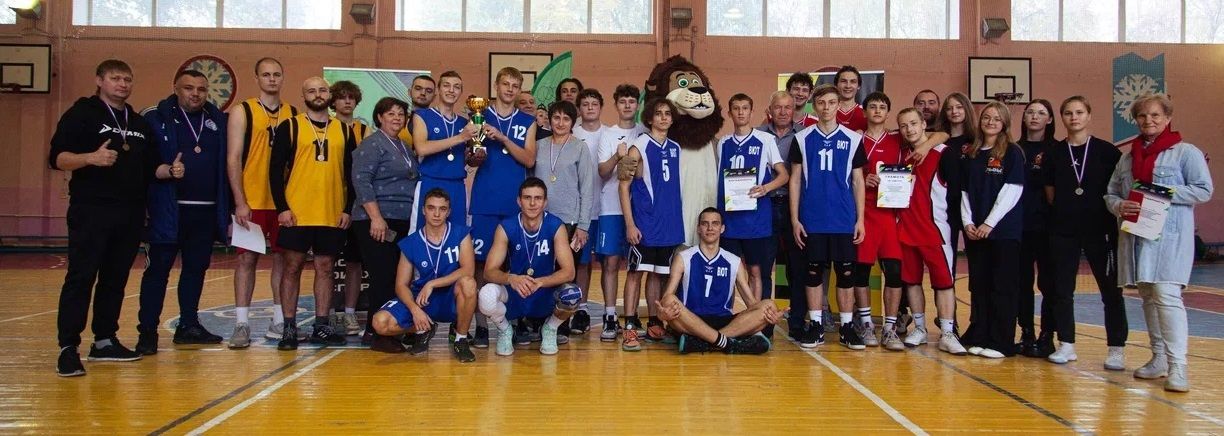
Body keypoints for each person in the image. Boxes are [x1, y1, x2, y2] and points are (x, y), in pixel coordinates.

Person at [50, 59, 184, 377]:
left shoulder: (137, 122)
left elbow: (151, 167)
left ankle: (104, 340)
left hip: (130, 213)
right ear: (100, 80)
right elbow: (57, 158)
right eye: (115, 78)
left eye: (127, 79)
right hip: (91, 210)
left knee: (115, 278)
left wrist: (170, 170)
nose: (122, 84)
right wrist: (90, 158)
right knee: (81, 277)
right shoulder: (82, 113)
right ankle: (68, 347)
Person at [1105, 94, 1212, 392]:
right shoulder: (1128, 157)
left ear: (1167, 118)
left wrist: (1163, 193)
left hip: (1170, 237)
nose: (1148, 120)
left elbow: (1203, 190)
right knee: (1148, 295)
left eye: (1154, 115)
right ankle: (1159, 358)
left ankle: (1178, 366)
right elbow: (1111, 192)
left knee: (1166, 294)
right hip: (1136, 235)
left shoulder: (1185, 153)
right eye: (1142, 116)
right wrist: (1119, 205)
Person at [136, 69, 231, 355]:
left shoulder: (218, 120)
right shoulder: (154, 117)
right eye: (189, 88)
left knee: (195, 270)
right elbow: (140, 162)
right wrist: (165, 170)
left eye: (201, 89)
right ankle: (147, 332)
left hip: (205, 212)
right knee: (157, 272)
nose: (195, 94)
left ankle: (188, 325)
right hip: (168, 211)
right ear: (176, 88)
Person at [268, 77, 358, 350]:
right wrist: (282, 208)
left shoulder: (344, 130)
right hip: (297, 213)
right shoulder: (290, 126)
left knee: (326, 268)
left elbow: (352, 174)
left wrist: (347, 209)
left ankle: (321, 325)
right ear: (303, 95)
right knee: (292, 267)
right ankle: (289, 327)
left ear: (329, 94)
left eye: (322, 90)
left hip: (331, 212)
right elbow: (275, 171)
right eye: (312, 91)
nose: (318, 94)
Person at [1042, 96, 1127, 367]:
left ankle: (1116, 348)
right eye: (1068, 113)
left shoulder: (1107, 152)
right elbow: (1050, 193)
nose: (1074, 117)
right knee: (1062, 289)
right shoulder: (1054, 153)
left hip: (1101, 230)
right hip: (1063, 230)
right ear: (1062, 118)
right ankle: (1066, 344)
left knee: (1111, 291)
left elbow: (1118, 189)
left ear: (1089, 115)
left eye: (1079, 112)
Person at [226, 57, 299, 348]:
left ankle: (279, 320)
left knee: (283, 259)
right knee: (247, 259)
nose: (272, 79)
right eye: (266, 74)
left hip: (283, 201)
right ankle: (241, 324)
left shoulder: (293, 114)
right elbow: (233, 158)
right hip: (252, 199)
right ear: (256, 78)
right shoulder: (242, 110)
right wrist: (239, 201)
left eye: (276, 74)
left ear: (283, 78)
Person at [788, 84, 867, 350]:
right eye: (821, 102)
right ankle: (816, 325)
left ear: (838, 105)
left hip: (843, 218)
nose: (826, 108)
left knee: (845, 273)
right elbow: (795, 180)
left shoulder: (853, 139)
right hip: (812, 218)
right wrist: (795, 219)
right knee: (812, 273)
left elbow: (858, 181)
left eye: (831, 102)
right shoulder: (802, 138)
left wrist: (860, 219)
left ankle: (846, 327)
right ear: (815, 105)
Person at [469, 67, 538, 348]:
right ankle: (481, 326)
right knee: (480, 264)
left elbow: (530, 159)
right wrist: (475, 153)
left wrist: (503, 138)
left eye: (515, 85)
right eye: (505, 84)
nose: (509, 89)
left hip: (515, 203)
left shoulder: (527, 121)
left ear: (519, 89)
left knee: (517, 262)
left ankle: (517, 320)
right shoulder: (479, 114)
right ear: (496, 86)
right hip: (485, 201)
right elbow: (470, 157)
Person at [371, 189, 479, 362]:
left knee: (468, 283)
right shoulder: (411, 242)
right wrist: (415, 310)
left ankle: (461, 339)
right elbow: (401, 285)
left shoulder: (461, 234)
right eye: (431, 208)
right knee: (380, 323)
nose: (436, 214)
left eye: (442, 209)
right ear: (423, 210)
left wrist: (432, 284)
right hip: (422, 299)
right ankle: (423, 328)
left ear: (448, 212)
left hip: (450, 296)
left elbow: (468, 270)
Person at [477, 178, 580, 356]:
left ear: (545, 202)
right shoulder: (506, 227)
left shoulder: (556, 226)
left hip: (544, 292)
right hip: (515, 291)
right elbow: (489, 272)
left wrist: (541, 282)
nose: (532, 203)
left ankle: (550, 328)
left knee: (573, 294)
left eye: (538, 198)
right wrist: (511, 278)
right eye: (527, 198)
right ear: (519, 201)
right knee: (486, 295)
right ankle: (505, 329)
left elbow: (569, 272)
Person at [659, 208, 780, 355]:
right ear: (698, 229)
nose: (710, 228)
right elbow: (667, 296)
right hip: (691, 320)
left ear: (722, 228)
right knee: (669, 300)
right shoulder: (684, 257)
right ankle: (728, 343)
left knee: (768, 305)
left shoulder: (733, 261)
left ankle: (705, 343)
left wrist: (769, 316)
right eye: (705, 224)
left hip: (725, 321)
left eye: (715, 223)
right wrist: (663, 313)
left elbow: (752, 304)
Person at [351, 97, 420, 350]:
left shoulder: (404, 146)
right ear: (379, 117)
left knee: (397, 277)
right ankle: (376, 333)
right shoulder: (372, 144)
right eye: (391, 114)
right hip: (378, 219)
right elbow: (361, 180)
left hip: (402, 220)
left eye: (401, 114)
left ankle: (393, 327)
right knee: (382, 276)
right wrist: (376, 218)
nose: (397, 118)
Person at [894, 108, 964, 355]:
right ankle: (920, 328)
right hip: (905, 229)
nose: (909, 129)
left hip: (936, 230)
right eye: (904, 125)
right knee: (912, 282)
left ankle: (947, 332)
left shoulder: (943, 153)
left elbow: (957, 193)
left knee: (944, 283)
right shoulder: (902, 156)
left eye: (914, 123)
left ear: (924, 124)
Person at [959, 101, 1024, 359]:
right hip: (976, 233)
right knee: (981, 287)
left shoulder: (1012, 152)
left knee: (1002, 287)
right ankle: (982, 336)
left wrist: (990, 223)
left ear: (1005, 123)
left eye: (997, 118)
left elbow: (1012, 190)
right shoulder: (972, 153)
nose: (991, 122)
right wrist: (967, 222)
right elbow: (965, 191)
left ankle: (1001, 343)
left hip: (1003, 232)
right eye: (986, 117)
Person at [619, 98, 685, 350]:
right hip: (645, 225)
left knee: (658, 275)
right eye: (658, 113)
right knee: (635, 274)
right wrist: (630, 224)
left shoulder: (676, 147)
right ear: (649, 118)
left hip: (669, 226)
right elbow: (623, 187)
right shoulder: (638, 147)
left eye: (668, 113)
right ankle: (629, 326)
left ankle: (655, 323)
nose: (664, 117)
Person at [716, 93, 789, 313]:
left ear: (751, 112)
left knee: (756, 271)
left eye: (745, 108)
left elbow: (784, 175)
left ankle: (756, 320)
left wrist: (765, 188)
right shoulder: (723, 143)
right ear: (729, 113)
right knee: (729, 271)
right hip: (730, 220)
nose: (740, 112)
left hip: (756, 220)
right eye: (736, 108)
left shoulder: (765, 140)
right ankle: (726, 317)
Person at [535, 100, 596, 338]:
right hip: (540, 220)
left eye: (566, 119)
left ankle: (559, 324)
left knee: (565, 273)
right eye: (556, 118)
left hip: (570, 221)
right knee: (540, 270)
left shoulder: (580, 148)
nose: (560, 123)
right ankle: (536, 320)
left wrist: (583, 225)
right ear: (549, 120)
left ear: (573, 122)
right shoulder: (539, 145)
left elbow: (587, 188)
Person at [595, 84, 647, 341]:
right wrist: (618, 157)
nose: (627, 105)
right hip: (611, 208)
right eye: (623, 101)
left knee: (636, 265)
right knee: (611, 263)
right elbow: (603, 172)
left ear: (637, 105)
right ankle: (609, 315)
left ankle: (631, 316)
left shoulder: (644, 133)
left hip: (640, 209)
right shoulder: (608, 134)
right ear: (616, 105)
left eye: (631, 101)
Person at [852, 92, 902, 348]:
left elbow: (937, 135)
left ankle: (890, 328)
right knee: (861, 272)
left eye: (883, 106)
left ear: (888, 112)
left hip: (890, 215)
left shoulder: (898, 139)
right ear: (865, 111)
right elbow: (845, 174)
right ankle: (866, 324)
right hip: (865, 213)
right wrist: (864, 177)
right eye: (873, 106)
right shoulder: (855, 139)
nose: (878, 110)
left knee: (894, 273)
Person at [757, 91, 807, 341]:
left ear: (794, 110)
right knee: (763, 268)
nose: (784, 112)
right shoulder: (757, 135)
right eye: (778, 107)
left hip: (793, 208)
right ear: (770, 110)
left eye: (788, 107)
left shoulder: (805, 136)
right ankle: (763, 324)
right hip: (764, 207)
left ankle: (797, 323)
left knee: (797, 269)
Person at [1016, 99, 1058, 357]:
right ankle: (1027, 332)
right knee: (1022, 283)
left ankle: (1047, 334)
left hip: (1048, 227)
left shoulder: (1057, 149)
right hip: (1020, 226)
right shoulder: (1014, 149)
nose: (1034, 116)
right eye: (1030, 112)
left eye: (1041, 113)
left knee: (1048, 283)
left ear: (1049, 119)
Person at [410, 71, 475, 230]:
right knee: (422, 234)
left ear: (460, 92)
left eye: (456, 87)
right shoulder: (422, 115)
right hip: (430, 183)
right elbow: (421, 148)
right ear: (438, 90)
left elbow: (467, 158)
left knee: (458, 234)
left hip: (457, 185)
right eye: (447, 86)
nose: (451, 90)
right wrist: (460, 137)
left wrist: (475, 156)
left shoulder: (464, 122)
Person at [330, 80, 370, 336]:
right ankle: (326, 314)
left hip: (356, 205)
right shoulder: (324, 127)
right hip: (329, 203)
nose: (347, 101)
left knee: (354, 262)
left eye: (351, 97)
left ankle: (349, 312)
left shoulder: (365, 130)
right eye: (342, 97)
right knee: (325, 262)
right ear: (333, 101)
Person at [568, 88, 608, 334]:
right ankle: (579, 309)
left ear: (601, 107)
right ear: (579, 109)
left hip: (606, 208)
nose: (590, 108)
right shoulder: (572, 133)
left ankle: (609, 312)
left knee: (606, 263)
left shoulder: (610, 134)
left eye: (594, 103)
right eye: (585, 104)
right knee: (581, 262)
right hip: (580, 210)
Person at [834, 65, 867, 132]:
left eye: (853, 81)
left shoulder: (866, 114)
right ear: (836, 85)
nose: (848, 86)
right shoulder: (826, 111)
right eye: (843, 81)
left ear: (859, 86)